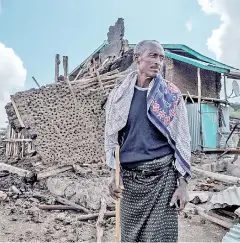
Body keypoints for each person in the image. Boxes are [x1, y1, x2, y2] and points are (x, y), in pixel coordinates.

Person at [104, 40, 192, 242]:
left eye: (161, 58)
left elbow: (182, 139)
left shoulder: (171, 96)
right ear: (137, 58)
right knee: (129, 238)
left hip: (162, 180)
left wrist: (183, 184)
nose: (158, 62)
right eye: (153, 56)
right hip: (130, 183)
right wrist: (113, 174)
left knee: (161, 239)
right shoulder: (119, 96)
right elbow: (112, 138)